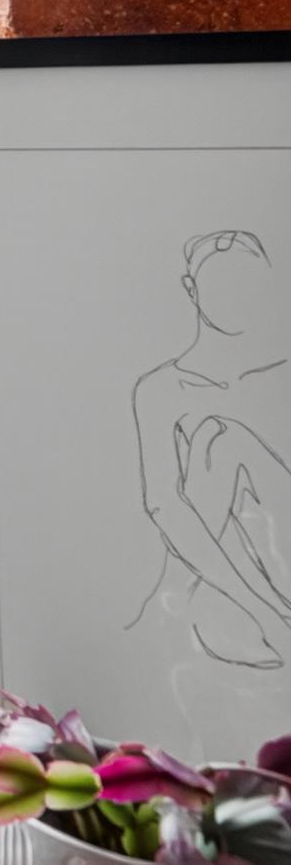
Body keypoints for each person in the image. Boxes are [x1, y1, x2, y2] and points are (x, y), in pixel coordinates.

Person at [129, 230, 291, 668]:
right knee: (218, 440)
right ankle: (241, 612)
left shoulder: (280, 373)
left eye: (246, 281)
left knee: (224, 440)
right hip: (219, 573)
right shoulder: (161, 388)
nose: (235, 296)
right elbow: (163, 503)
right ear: (191, 288)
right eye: (221, 283)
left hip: (281, 549)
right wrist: (260, 606)